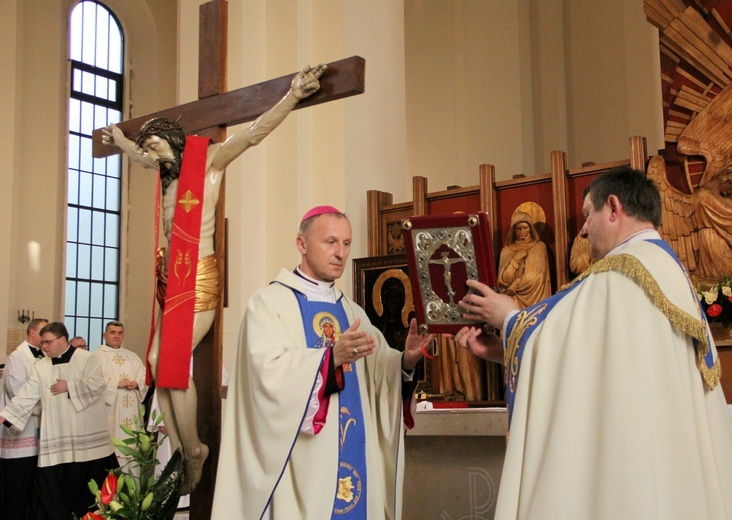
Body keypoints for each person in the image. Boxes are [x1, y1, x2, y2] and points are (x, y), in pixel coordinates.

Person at [454, 166, 732, 519]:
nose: (583, 230)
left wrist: (508, 317)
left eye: (588, 214)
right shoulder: (666, 270)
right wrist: (502, 347)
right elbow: (589, 360)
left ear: (613, 208)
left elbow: (566, 345)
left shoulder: (621, 276)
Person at [101, 64, 327, 493]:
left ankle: (195, 451)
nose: (152, 154)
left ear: (173, 142)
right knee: (153, 364)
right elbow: (139, 157)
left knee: (173, 365)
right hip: (171, 276)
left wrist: (293, 95)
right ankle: (186, 449)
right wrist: (123, 142)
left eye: (156, 146)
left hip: (198, 273)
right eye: (148, 147)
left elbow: (253, 133)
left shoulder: (209, 165)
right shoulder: (165, 177)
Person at [211, 206, 434, 519]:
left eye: (346, 243)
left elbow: (380, 375)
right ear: (301, 245)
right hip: (301, 466)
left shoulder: (353, 312)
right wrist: (330, 359)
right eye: (330, 242)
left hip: (355, 455)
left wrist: (406, 358)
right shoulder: (268, 304)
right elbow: (265, 378)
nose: (340, 253)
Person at [0, 322, 117, 520]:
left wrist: (69, 386)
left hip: (85, 434)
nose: (43, 347)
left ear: (62, 340)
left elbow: (98, 384)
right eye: (42, 343)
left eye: (47, 343)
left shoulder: (87, 358)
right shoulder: (41, 366)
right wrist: (5, 415)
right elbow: (28, 394)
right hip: (57, 433)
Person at [0, 318, 48, 519]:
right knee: (18, 484)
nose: (46, 336)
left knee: (35, 484)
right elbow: (17, 391)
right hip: (23, 429)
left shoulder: (45, 356)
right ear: (31, 332)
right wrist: (46, 406)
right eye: (43, 331)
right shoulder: (18, 356)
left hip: (41, 428)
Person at [92, 321, 148, 468]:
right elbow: (92, 383)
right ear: (105, 335)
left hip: (132, 409)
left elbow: (144, 376)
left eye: (120, 333)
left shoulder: (132, 356)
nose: (116, 336)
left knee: (133, 449)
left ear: (123, 335)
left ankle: (134, 488)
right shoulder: (96, 356)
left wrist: (136, 383)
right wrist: (116, 384)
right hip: (112, 411)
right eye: (112, 332)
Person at [496, 209, 551, 308]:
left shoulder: (539, 247)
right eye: (518, 229)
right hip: (512, 299)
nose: (521, 232)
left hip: (535, 297)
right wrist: (516, 260)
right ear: (513, 230)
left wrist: (516, 284)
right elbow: (503, 280)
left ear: (530, 228)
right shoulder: (506, 250)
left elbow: (538, 276)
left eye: (525, 228)